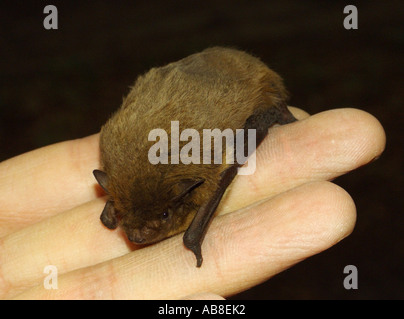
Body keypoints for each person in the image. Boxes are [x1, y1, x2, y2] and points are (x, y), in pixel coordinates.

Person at [0, 107, 385, 299]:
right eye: (125, 214)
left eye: (160, 217)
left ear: (184, 199)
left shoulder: (201, 177)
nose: (137, 234)